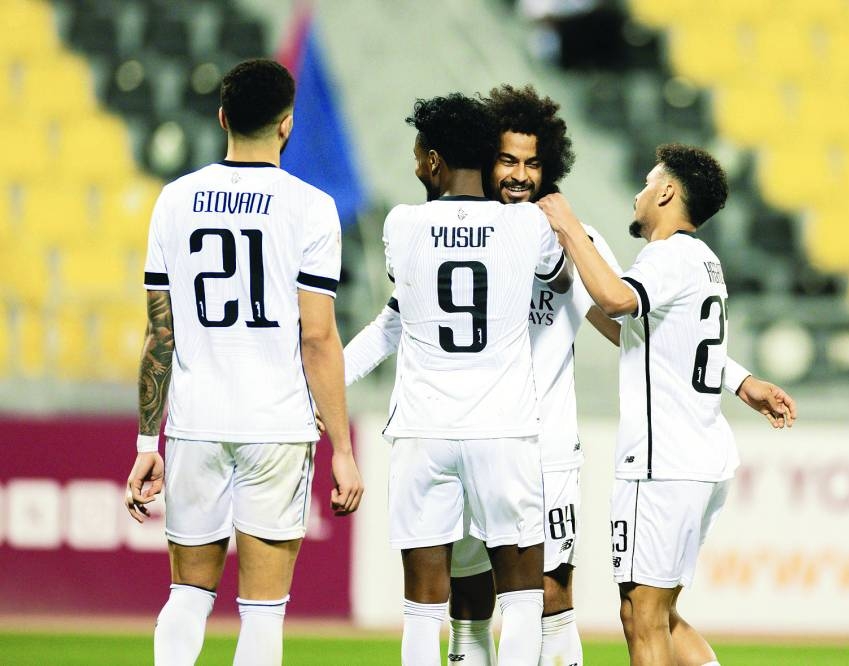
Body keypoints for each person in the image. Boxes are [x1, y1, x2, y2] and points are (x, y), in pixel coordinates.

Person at [347, 86, 796, 666]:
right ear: (485, 160)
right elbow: (392, 323)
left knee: (551, 594)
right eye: (507, 160)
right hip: (472, 435)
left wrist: (737, 379)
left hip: (546, 450)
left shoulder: (574, 242)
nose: (519, 174)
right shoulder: (457, 236)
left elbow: (639, 331)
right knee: (469, 594)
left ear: (550, 166)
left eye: (533, 163)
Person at [123, 58, 363, 666]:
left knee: (186, 595)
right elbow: (318, 338)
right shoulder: (312, 207)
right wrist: (343, 447)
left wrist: (147, 440)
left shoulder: (175, 200)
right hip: (276, 428)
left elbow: (160, 335)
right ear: (287, 124)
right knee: (262, 611)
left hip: (196, 422)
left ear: (222, 116)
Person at [539, 144, 794, 666]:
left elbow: (617, 300)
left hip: (661, 467)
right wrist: (744, 382)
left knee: (643, 613)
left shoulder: (667, 256)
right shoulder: (703, 261)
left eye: (646, 182)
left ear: (666, 191)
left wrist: (566, 224)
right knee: (656, 614)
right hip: (700, 458)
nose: (637, 193)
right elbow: (635, 333)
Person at [382, 92, 570, 666]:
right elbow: (560, 282)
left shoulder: (402, 223)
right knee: (520, 596)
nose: (416, 164)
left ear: (434, 161)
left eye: (419, 154)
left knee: (421, 604)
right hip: (503, 428)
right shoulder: (525, 225)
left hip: (422, 428)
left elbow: (399, 306)